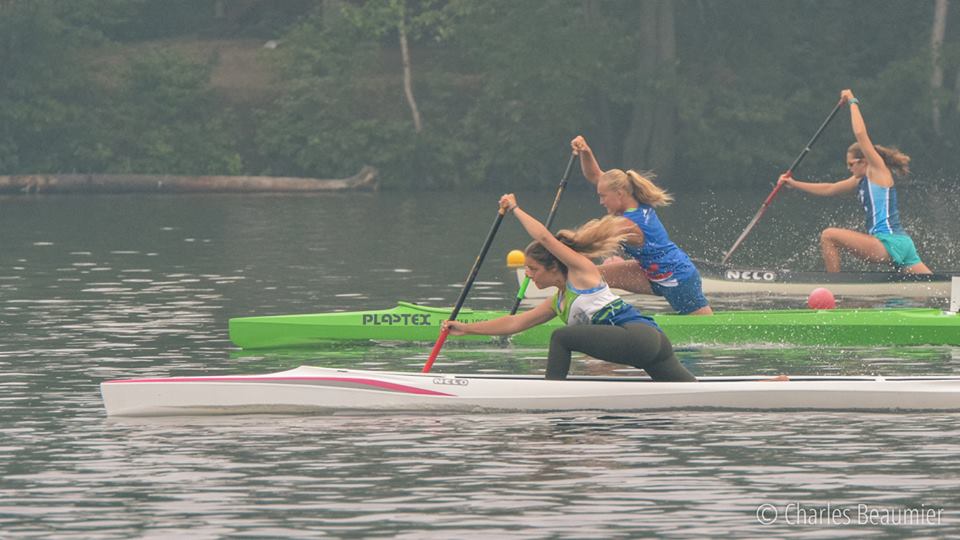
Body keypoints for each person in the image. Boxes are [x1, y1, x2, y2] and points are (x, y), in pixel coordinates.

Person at [443, 194, 697, 382]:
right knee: (690, 393)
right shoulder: (557, 302)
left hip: (640, 337)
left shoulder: (581, 272)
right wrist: (466, 328)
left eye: (533, 268)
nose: (528, 274)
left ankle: (552, 394)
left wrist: (515, 209)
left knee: (561, 337)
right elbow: (514, 323)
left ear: (554, 266)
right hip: (653, 345)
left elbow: (544, 238)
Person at [778, 89, 932, 274]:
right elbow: (830, 188)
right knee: (932, 284)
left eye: (851, 164)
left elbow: (860, 133)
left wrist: (852, 101)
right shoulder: (860, 180)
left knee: (828, 235)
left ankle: (835, 284)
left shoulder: (877, 170)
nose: (849, 168)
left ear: (863, 161)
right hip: (902, 243)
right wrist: (793, 183)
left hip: (887, 243)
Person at [570, 136, 713, 315]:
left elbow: (588, 242)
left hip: (677, 277)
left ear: (619, 194)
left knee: (705, 326)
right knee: (591, 274)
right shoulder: (634, 202)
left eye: (603, 196)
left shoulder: (628, 224)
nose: (601, 201)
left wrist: (553, 246)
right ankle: (586, 314)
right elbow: (595, 175)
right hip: (650, 274)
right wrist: (586, 151)